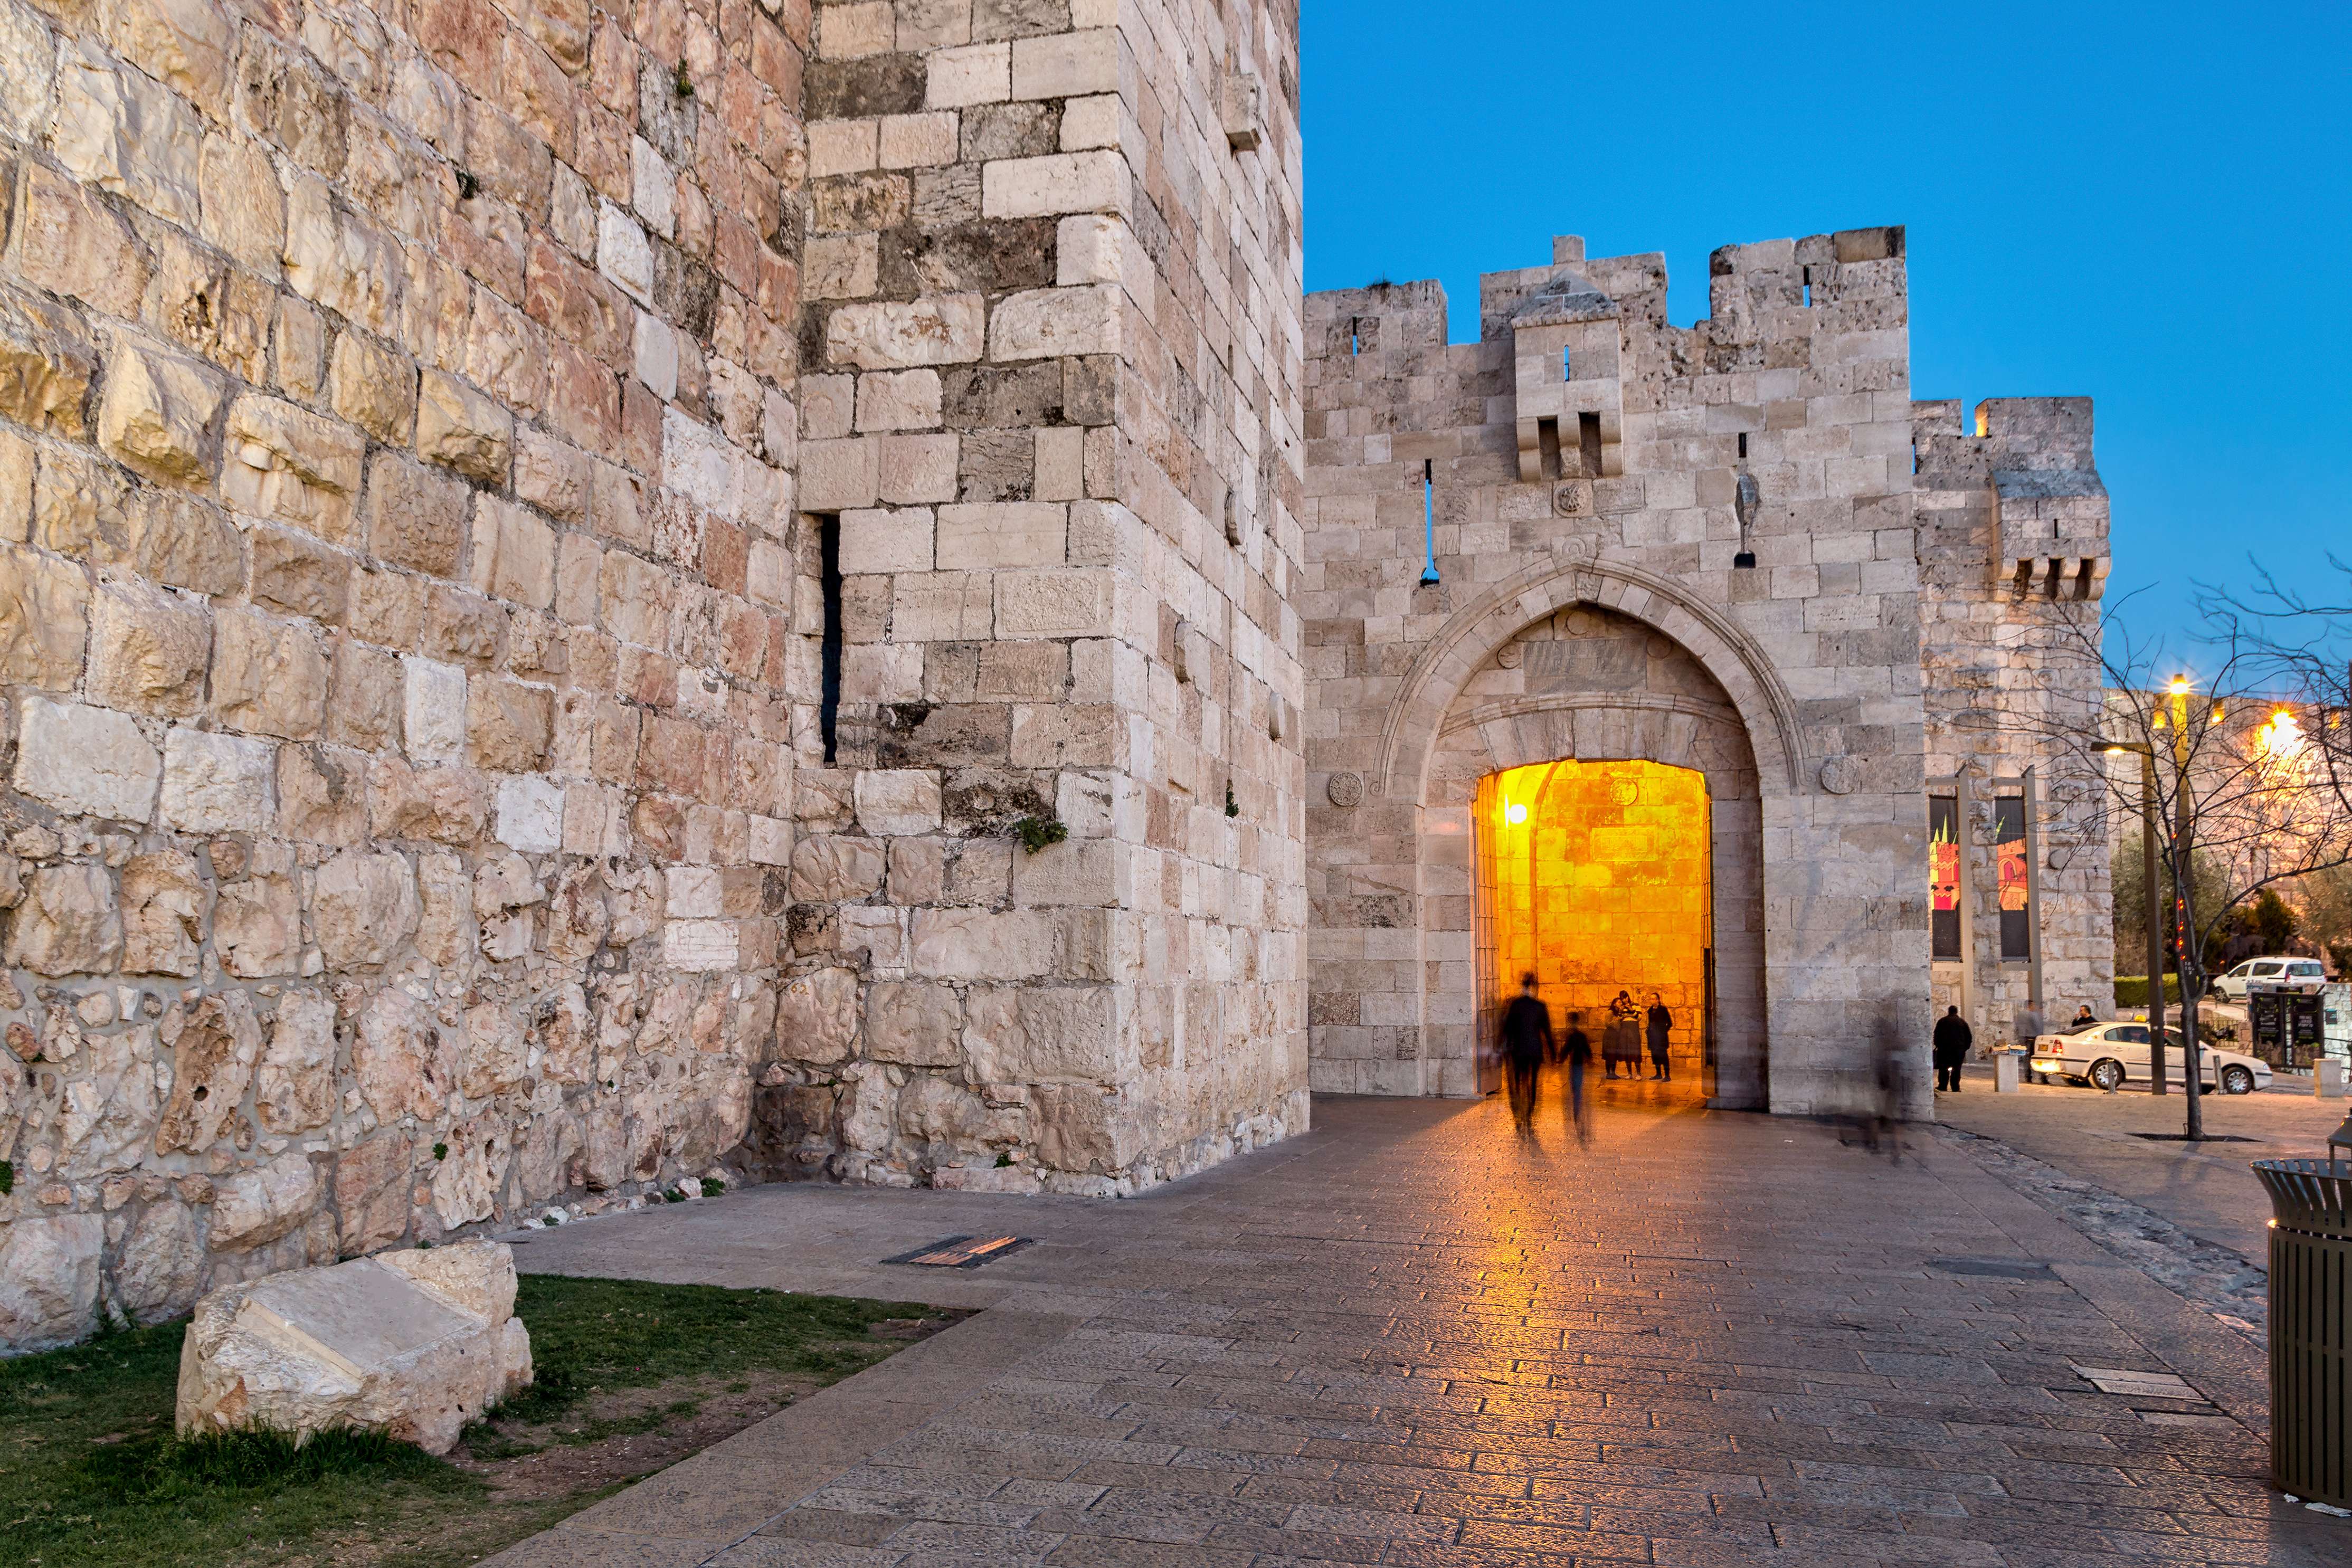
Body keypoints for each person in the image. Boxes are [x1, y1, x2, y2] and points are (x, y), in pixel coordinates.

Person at [1500, 974, 1552, 1134]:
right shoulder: (1540, 1006)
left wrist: (1500, 1047)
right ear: (1534, 987)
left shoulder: (1515, 1005)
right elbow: (1547, 1032)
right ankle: (1529, 1114)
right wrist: (1553, 1053)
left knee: (1517, 1082)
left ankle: (1518, 1114)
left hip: (1518, 1050)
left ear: (1522, 986)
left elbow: (1507, 1029)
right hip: (1535, 1050)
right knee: (1533, 1082)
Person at [1561, 1010, 1593, 1146]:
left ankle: (1576, 1110)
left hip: (1574, 1064)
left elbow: (1566, 1049)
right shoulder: (1581, 1036)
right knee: (1578, 1087)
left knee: (1575, 1086)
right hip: (1579, 1064)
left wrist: (1561, 1059)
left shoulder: (1571, 1036)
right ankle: (1577, 1106)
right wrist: (1590, 1060)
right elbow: (1587, 1049)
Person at [1932, 1005, 1972, 1092]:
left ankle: (1943, 1086)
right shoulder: (1962, 1022)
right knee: (1957, 1069)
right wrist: (1965, 1048)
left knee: (1943, 1069)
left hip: (1944, 1050)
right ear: (1957, 1012)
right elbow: (1969, 1037)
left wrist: (1938, 1045)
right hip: (1958, 1051)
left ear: (1949, 1011)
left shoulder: (1942, 1021)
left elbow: (1936, 1035)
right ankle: (1955, 1088)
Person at [1645, 992, 1673, 1082]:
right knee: (1655, 1055)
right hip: (1653, 1036)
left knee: (1663, 1055)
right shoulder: (1650, 1011)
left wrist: (1663, 1031)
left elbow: (1670, 1023)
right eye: (1651, 999)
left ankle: (1667, 1075)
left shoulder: (1663, 1010)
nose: (1652, 1000)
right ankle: (1658, 1074)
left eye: (1654, 999)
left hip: (1661, 1037)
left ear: (1658, 1000)